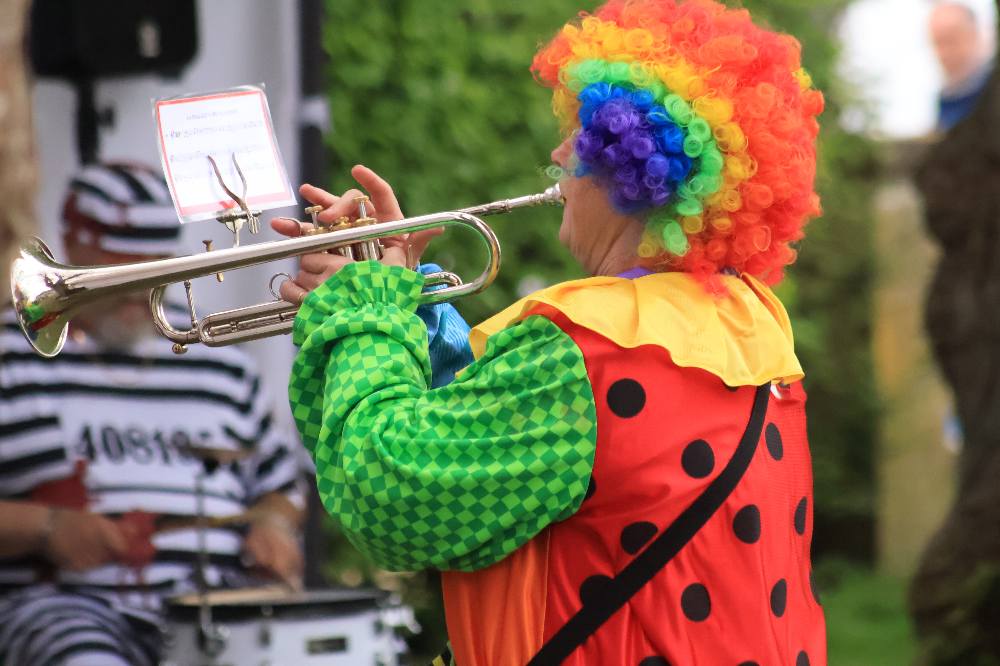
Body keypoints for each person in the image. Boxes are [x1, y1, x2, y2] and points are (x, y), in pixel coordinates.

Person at [275, 0, 827, 663]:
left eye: (583, 137)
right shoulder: (751, 324)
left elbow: (389, 495)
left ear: (629, 167)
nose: (559, 152)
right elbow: (491, 439)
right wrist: (406, 303)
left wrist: (363, 311)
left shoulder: (586, 352)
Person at [0, 162, 304, 666]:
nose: (141, 289)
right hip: (61, 606)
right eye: (121, 269)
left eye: (156, 268)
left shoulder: (218, 358)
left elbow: (280, 489)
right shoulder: (9, 354)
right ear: (71, 249)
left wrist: (273, 525)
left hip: (218, 609)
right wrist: (45, 527)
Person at [930, 1, 993, 130]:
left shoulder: (991, 93)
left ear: (974, 35)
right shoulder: (946, 97)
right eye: (937, 43)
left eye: (951, 40)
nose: (944, 53)